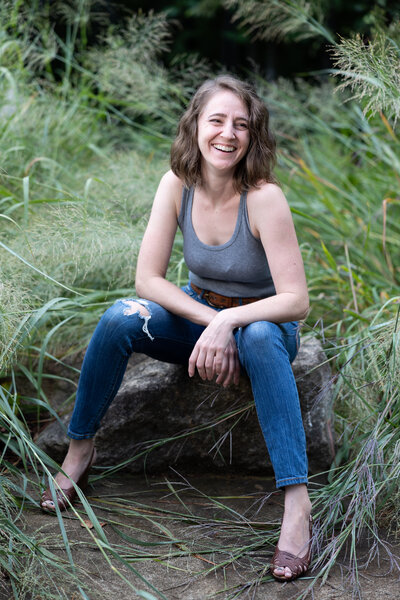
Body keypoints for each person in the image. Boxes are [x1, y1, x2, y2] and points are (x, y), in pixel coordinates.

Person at [41, 75, 312, 582]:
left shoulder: (264, 197)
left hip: (262, 325)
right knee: (122, 315)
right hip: (201, 316)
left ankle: (297, 505)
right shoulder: (177, 184)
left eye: (241, 125)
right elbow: (147, 279)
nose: (227, 134)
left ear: (253, 136)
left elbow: (296, 300)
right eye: (216, 120)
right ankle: (80, 448)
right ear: (195, 125)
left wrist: (232, 321)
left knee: (254, 336)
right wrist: (214, 322)